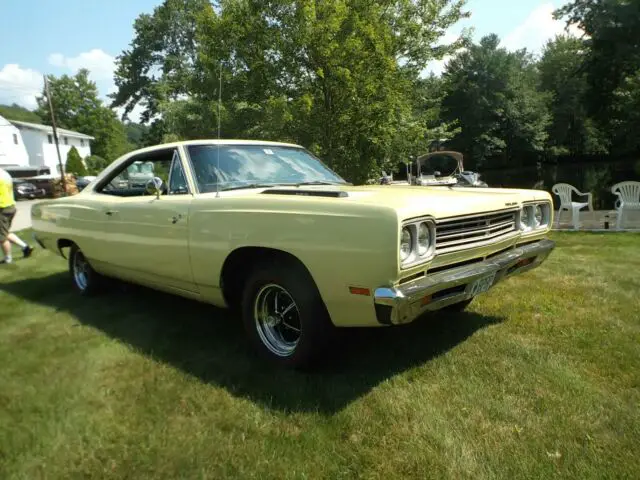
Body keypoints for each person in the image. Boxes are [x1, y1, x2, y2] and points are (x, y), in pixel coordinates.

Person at [0, 167, 33, 264]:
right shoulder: (5, 173)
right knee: (5, 232)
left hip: (2, 208)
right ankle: (26, 247)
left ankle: (8, 259)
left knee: (1, 237)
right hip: (10, 206)